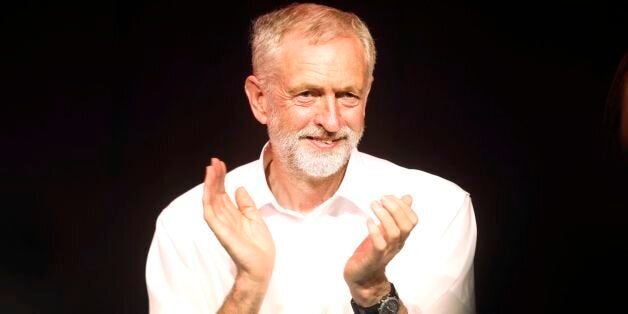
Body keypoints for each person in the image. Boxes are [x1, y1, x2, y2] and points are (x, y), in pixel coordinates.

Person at [145, 3, 477, 314]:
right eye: (307, 94)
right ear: (260, 100)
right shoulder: (186, 224)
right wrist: (248, 285)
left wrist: (374, 291)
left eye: (348, 95)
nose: (332, 122)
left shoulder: (437, 207)